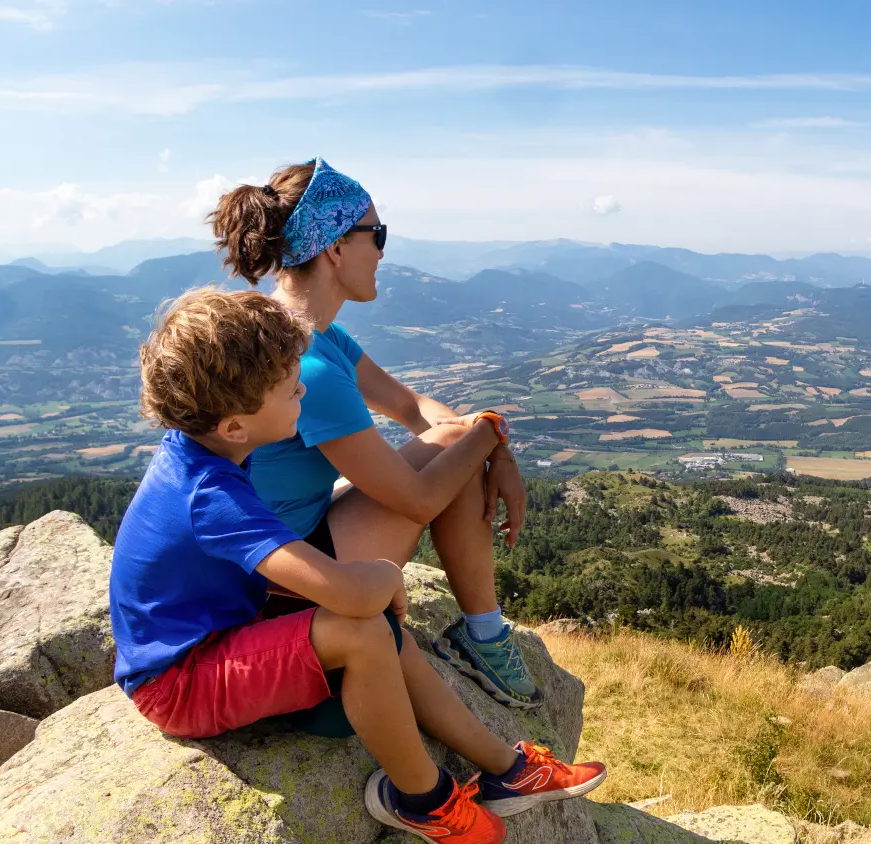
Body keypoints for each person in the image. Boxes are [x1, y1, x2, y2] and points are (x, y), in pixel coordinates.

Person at [108, 289, 606, 844]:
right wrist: (387, 579)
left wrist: (371, 597)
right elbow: (352, 596)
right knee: (365, 631)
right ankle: (426, 800)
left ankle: (506, 770)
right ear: (234, 425)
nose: (301, 389)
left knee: (386, 634)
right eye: (288, 387)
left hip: (225, 636)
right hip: (181, 682)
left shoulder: (206, 453)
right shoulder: (208, 492)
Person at [205, 158, 540, 709]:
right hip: (279, 587)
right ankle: (484, 637)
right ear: (336, 248)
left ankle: (483, 633)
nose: (382, 251)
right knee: (456, 449)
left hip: (273, 551)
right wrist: (490, 433)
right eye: (376, 235)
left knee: (455, 440)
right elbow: (417, 500)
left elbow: (411, 407)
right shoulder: (306, 364)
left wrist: (488, 442)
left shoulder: (308, 334)